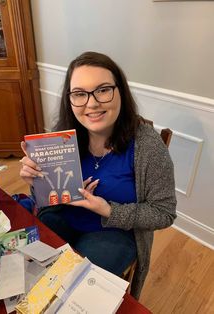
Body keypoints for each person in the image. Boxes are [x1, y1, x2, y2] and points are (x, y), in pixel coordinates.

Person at [20, 51, 177, 299]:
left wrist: (107, 210)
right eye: (80, 94)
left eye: (103, 90)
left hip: (113, 233)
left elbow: (164, 213)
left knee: (72, 290)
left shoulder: (147, 146)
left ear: (120, 92)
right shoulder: (64, 135)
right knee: (24, 270)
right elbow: (47, 196)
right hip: (62, 216)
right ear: (70, 99)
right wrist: (36, 182)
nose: (91, 103)